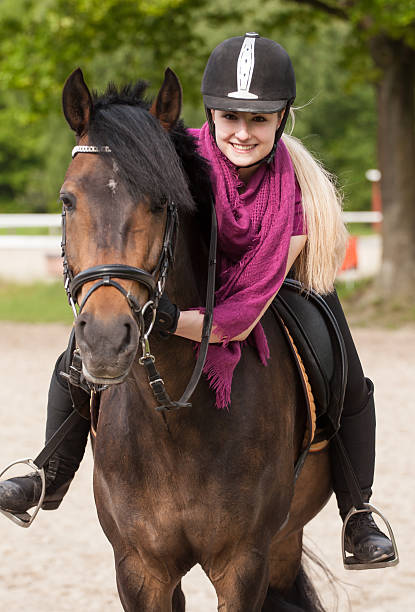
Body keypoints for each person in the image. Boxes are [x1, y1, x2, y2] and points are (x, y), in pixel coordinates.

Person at [0, 33, 395, 567]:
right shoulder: (175, 155)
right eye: (229, 117)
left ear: (281, 119)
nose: (242, 133)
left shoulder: (291, 203)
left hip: (260, 289)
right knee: (82, 343)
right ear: (209, 113)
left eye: (259, 120)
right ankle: (49, 471)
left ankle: (358, 512)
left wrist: (169, 318)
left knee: (339, 359)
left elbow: (243, 309)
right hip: (183, 286)